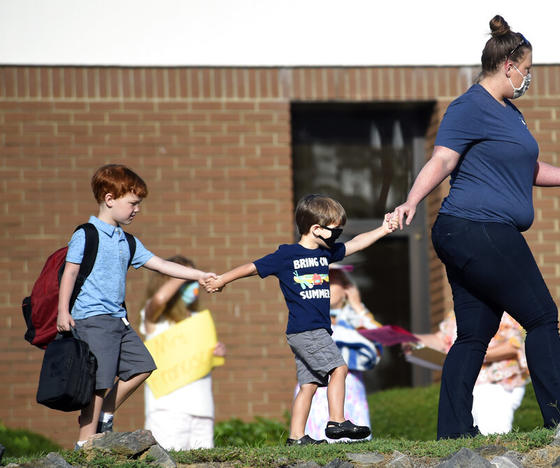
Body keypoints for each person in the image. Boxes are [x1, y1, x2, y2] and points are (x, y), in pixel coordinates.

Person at [392, 15, 560, 439]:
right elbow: (443, 160)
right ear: (509, 66)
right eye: (527, 69)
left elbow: (527, 166)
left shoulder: (511, 114)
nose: (529, 77)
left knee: (474, 333)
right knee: (542, 316)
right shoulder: (469, 106)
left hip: (470, 232)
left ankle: (453, 433)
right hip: (477, 228)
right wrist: (411, 200)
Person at [205, 194, 398, 445]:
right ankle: (337, 421)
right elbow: (252, 267)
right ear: (316, 229)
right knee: (339, 368)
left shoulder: (325, 254)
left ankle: (296, 437)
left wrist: (384, 229)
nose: (338, 236)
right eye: (335, 231)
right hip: (307, 330)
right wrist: (222, 280)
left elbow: (358, 244)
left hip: (308, 331)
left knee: (309, 384)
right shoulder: (286, 255)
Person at [56, 164, 216, 449]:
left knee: (142, 365)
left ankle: (105, 413)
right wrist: (62, 311)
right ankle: (85, 442)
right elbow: (69, 273)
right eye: (132, 203)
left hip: (119, 320)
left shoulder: (127, 241)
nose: (137, 209)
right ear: (109, 199)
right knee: (99, 381)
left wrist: (199, 275)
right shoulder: (86, 234)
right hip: (93, 318)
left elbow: (162, 265)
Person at [139, 255, 225, 450]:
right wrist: (182, 274)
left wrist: (215, 353)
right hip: (168, 410)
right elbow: (159, 300)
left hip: (202, 408)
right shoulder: (154, 318)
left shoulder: (197, 319)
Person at [298, 265, 381, 442]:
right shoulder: (308, 316)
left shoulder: (354, 318)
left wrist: (358, 307)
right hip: (317, 387)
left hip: (350, 387)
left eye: (331, 282)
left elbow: (378, 341)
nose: (323, 287)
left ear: (346, 289)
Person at [411, 312, 529, 435]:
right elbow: (441, 339)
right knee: (466, 440)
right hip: (465, 385)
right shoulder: (461, 311)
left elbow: (514, 345)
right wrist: (409, 339)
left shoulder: (506, 310)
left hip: (496, 385)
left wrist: (470, 354)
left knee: (491, 436)